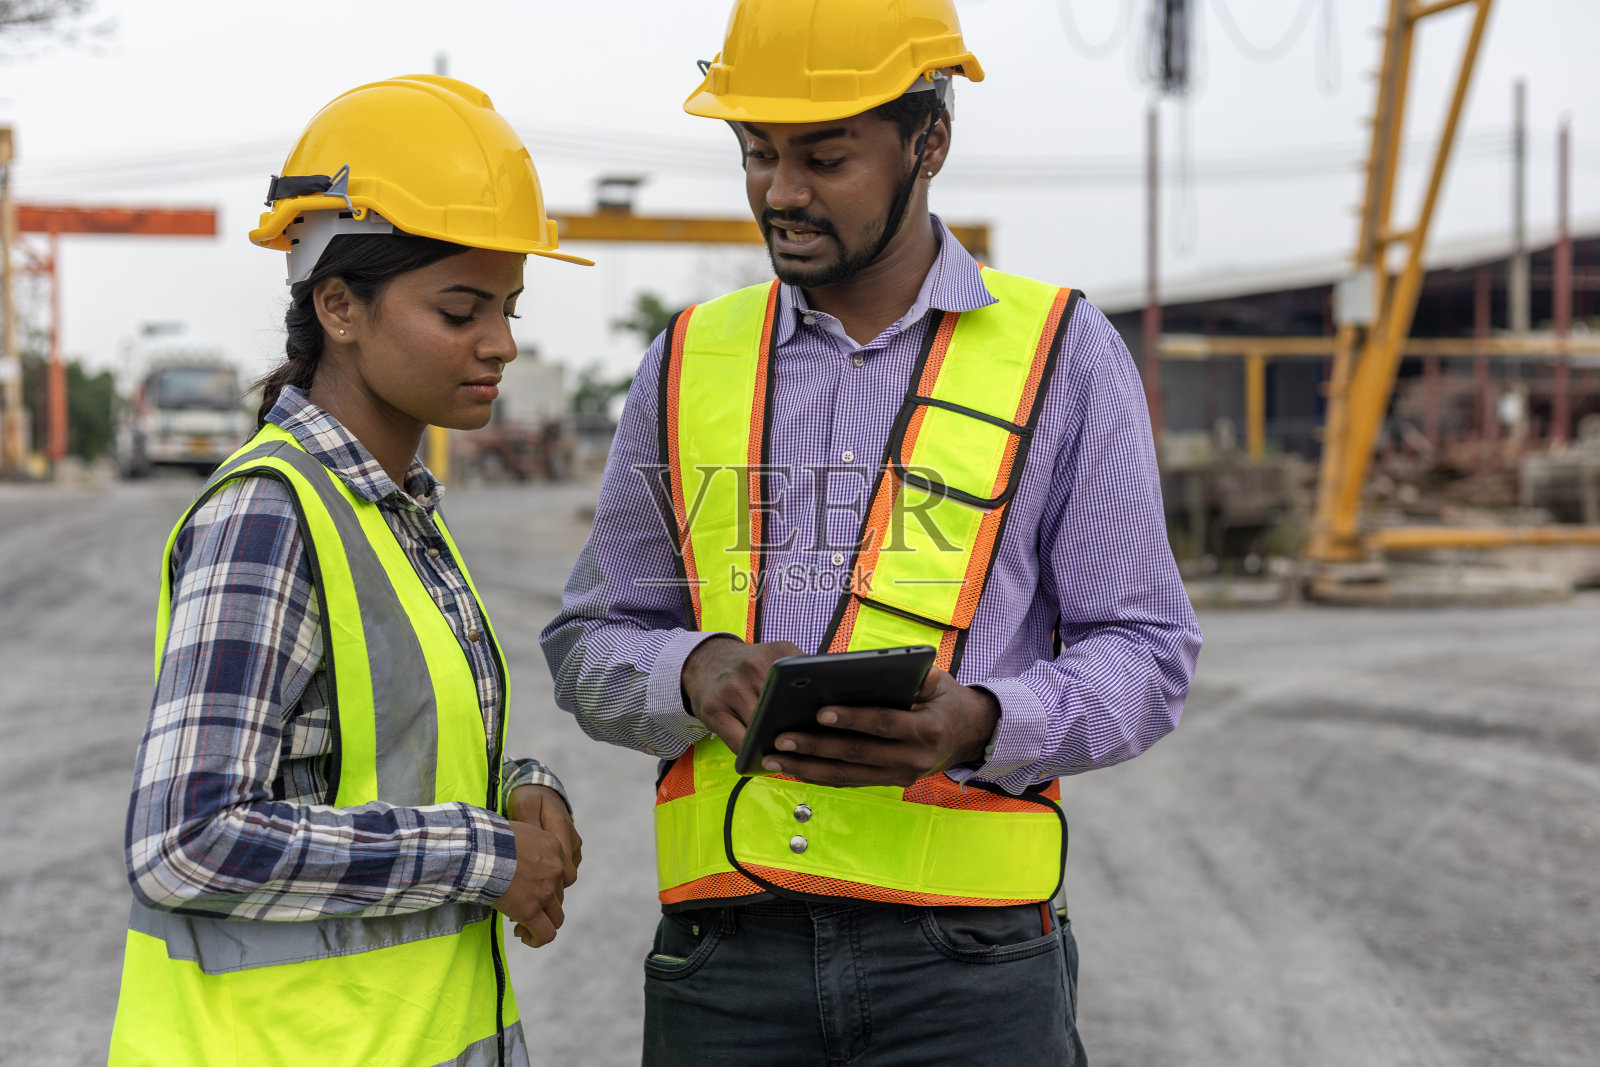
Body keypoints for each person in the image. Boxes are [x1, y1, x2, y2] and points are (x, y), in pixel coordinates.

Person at [541, 1, 1203, 1063]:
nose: (781, 190)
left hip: (970, 972)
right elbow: (589, 641)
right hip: (728, 958)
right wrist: (694, 670)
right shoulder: (686, 360)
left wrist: (982, 719)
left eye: (825, 156)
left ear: (929, 143)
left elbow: (1148, 651)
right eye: (757, 153)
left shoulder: (1063, 355)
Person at [109, 75, 590, 1067]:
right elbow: (186, 840)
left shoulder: (398, 506)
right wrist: (483, 850)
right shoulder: (270, 515)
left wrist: (521, 787)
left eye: (507, 305)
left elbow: (379, 760)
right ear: (339, 304)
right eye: (460, 310)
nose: (499, 343)